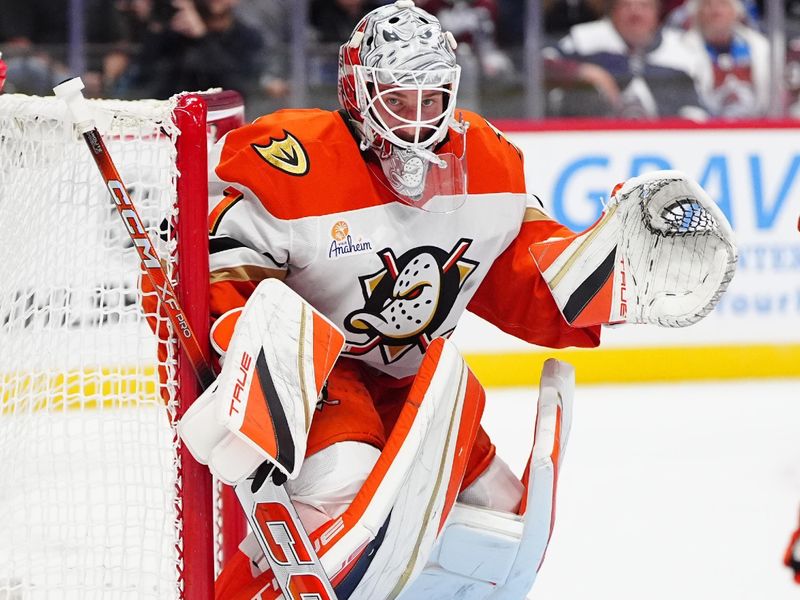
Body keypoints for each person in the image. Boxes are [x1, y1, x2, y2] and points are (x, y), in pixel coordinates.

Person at [177, 1, 735, 598]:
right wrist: (247, 361)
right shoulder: (297, 160)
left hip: (415, 387)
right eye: (397, 101)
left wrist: (614, 280)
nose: (417, 124)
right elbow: (227, 263)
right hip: (319, 383)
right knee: (346, 495)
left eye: (432, 100)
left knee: (499, 516)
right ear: (357, 95)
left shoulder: (483, 163)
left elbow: (526, 269)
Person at [543, 0, 706, 118]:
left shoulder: (682, 48)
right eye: (626, 5)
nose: (635, 13)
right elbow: (539, 64)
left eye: (644, 6)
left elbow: (698, 111)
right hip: (594, 136)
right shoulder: (585, 39)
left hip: (664, 143)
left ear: (658, 13)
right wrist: (586, 73)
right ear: (612, 10)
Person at [126, 0, 265, 101]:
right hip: (171, 119)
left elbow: (239, 88)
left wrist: (202, 37)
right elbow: (143, 80)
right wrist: (157, 27)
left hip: (220, 119)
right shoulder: (174, 34)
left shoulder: (248, 37)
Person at [682, 0, 770, 118]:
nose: (716, 11)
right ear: (697, 14)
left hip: (757, 126)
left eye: (723, 4)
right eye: (708, 5)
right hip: (704, 129)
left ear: (736, 12)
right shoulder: (682, 49)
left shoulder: (760, 46)